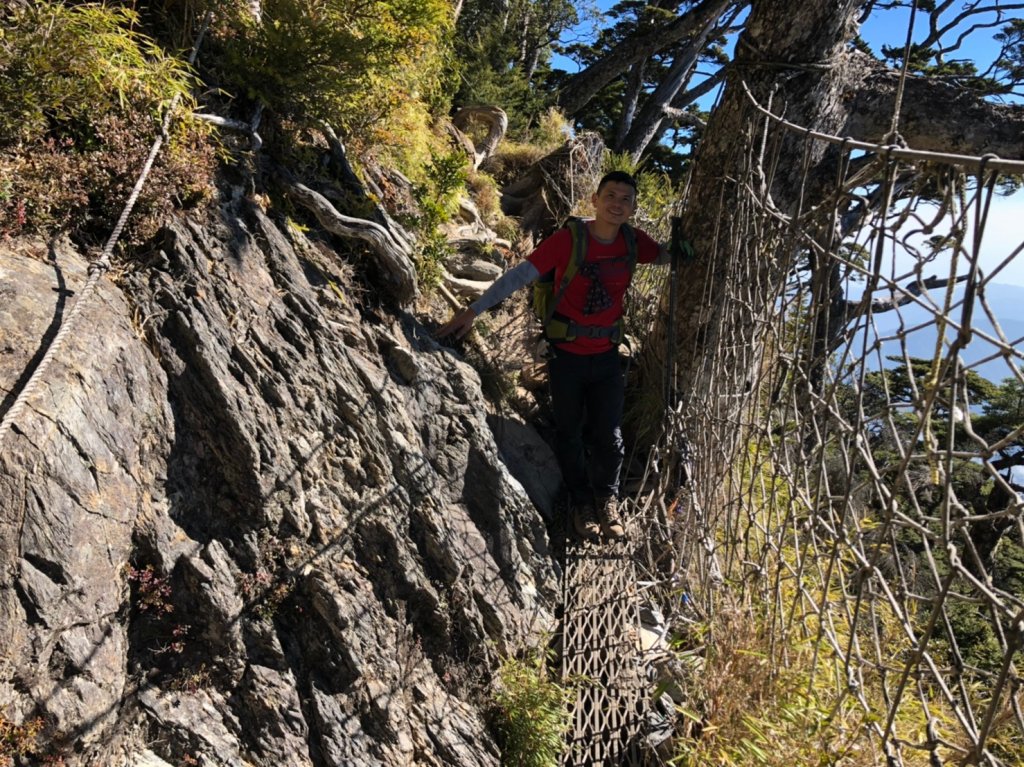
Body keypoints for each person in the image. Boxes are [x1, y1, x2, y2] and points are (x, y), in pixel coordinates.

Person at [436, 171, 667, 541]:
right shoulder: (570, 239)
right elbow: (519, 276)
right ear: (595, 200)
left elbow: (666, 255)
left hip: (607, 357)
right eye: (610, 195)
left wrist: (689, 247)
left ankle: (607, 499)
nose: (617, 204)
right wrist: (473, 310)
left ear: (633, 208)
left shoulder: (633, 242)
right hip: (566, 357)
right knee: (570, 432)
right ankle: (581, 504)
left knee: (609, 435)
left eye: (626, 199)